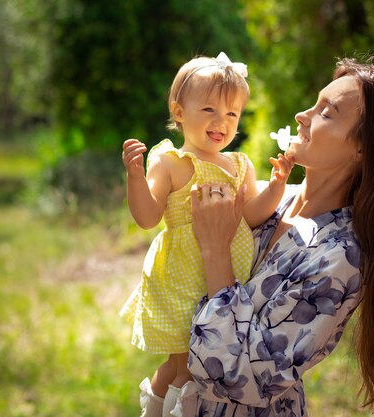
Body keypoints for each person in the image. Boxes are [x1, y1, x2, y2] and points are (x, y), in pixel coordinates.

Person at [167, 56, 374, 417]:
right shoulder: (273, 200)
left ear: (363, 147)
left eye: (327, 112)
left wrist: (215, 251)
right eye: (315, 102)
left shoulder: (340, 257)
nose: (302, 116)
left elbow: (245, 379)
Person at [120, 52, 293, 417]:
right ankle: (165, 410)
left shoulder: (239, 164)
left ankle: (157, 408)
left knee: (193, 362)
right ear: (179, 112)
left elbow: (250, 214)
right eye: (209, 110)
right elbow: (148, 216)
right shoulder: (169, 162)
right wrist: (135, 178)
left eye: (232, 114)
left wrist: (276, 187)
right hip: (182, 275)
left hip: (225, 273)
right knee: (186, 365)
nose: (221, 122)